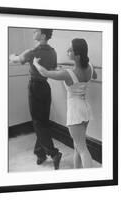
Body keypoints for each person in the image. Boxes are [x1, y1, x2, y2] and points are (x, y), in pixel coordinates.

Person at [33, 38, 97, 169]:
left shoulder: (67, 74)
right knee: (77, 146)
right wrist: (66, 70)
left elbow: (45, 72)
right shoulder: (89, 67)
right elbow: (94, 75)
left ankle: (90, 179)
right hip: (85, 108)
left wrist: (36, 63)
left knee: (82, 149)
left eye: (70, 49)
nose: (67, 51)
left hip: (75, 111)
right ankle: (77, 173)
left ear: (77, 55)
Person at [9, 29, 62, 170]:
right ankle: (40, 153)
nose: (33, 32)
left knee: (38, 123)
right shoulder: (53, 52)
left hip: (35, 87)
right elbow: (53, 67)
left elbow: (17, 59)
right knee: (43, 121)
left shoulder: (32, 51)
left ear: (43, 35)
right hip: (46, 87)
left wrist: (11, 55)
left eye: (36, 31)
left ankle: (53, 153)